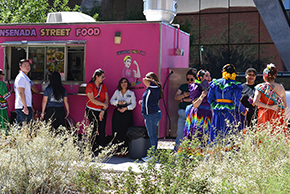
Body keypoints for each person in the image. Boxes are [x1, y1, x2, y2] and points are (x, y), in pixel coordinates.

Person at [207, 64, 247, 145]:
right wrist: (243, 109)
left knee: (217, 133)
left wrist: (216, 105)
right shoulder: (235, 85)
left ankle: (215, 154)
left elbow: (209, 99)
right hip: (230, 112)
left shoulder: (215, 83)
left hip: (217, 112)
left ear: (222, 72)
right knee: (229, 134)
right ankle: (228, 155)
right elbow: (235, 100)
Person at [253, 63, 288, 137]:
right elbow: (285, 105)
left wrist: (270, 107)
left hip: (265, 114)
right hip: (278, 114)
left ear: (264, 76)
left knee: (265, 137)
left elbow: (255, 101)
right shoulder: (281, 87)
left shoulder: (260, 87)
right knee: (277, 137)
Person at [183, 69, 212, 148]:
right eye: (206, 76)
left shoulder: (211, 87)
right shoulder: (195, 87)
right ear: (201, 77)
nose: (209, 78)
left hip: (208, 115)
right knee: (197, 136)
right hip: (199, 114)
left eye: (209, 76)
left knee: (207, 137)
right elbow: (195, 105)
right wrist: (202, 96)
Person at [139, 72, 162, 161]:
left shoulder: (154, 86)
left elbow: (144, 80)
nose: (146, 78)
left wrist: (152, 81)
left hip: (152, 114)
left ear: (152, 78)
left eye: (148, 77)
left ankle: (152, 156)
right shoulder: (150, 88)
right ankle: (152, 154)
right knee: (151, 135)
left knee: (152, 136)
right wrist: (143, 102)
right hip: (149, 114)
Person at [85, 68, 109, 155]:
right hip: (92, 110)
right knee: (93, 129)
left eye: (103, 77)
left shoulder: (104, 86)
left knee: (102, 129)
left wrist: (103, 109)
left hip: (101, 110)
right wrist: (103, 105)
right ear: (96, 76)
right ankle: (91, 148)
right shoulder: (90, 86)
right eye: (102, 77)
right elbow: (92, 100)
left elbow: (106, 99)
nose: (103, 78)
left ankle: (102, 148)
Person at [110, 77, 136, 155]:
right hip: (118, 113)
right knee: (116, 130)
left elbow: (134, 104)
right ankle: (117, 150)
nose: (124, 84)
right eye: (122, 82)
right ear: (120, 84)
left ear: (127, 84)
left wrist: (126, 108)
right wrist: (118, 102)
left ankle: (125, 150)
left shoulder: (131, 93)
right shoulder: (117, 92)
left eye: (125, 82)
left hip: (127, 113)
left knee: (125, 131)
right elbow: (111, 101)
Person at [174, 69, 196, 151]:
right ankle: (176, 151)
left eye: (191, 79)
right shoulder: (183, 86)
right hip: (182, 113)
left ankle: (189, 152)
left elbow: (194, 100)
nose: (189, 81)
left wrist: (183, 99)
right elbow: (176, 97)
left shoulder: (196, 87)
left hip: (192, 114)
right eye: (188, 79)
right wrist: (184, 95)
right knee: (179, 134)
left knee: (191, 135)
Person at [14, 59, 36, 124]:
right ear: (20, 67)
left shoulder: (26, 77)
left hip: (26, 105)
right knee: (24, 127)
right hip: (22, 106)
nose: (27, 67)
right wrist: (25, 106)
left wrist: (30, 106)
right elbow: (21, 92)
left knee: (25, 126)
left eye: (28, 65)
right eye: (25, 65)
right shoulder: (21, 77)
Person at [0, 69, 10, 134]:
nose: (2, 76)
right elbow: (5, 95)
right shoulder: (2, 84)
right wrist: (9, 92)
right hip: (1, 105)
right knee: (3, 119)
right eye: (2, 74)